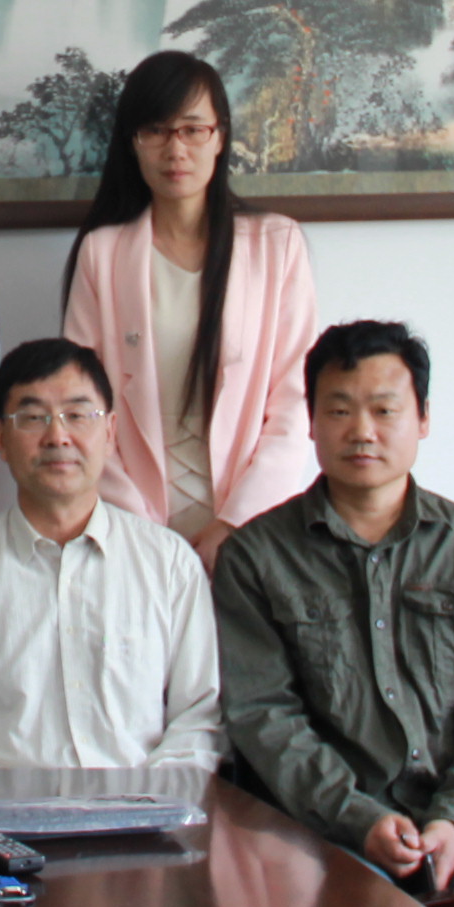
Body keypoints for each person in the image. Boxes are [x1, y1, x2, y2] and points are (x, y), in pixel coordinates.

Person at [211, 322, 454, 907]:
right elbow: (264, 717)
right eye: (339, 410)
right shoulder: (256, 558)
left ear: (422, 419)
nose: (361, 431)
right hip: (323, 826)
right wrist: (360, 817)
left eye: (384, 410)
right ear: (312, 423)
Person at [0, 337, 222, 772]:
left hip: (144, 808)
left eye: (77, 415)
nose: (57, 436)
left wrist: (147, 802)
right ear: (0, 438)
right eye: (33, 418)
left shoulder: (170, 565)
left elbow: (199, 719)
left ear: (109, 432)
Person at [61, 49, 319, 563]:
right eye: (156, 131)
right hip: (133, 535)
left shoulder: (276, 244)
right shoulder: (102, 253)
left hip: (253, 532)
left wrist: (235, 523)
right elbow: (79, 406)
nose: (175, 148)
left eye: (193, 129)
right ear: (133, 142)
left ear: (220, 137)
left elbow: (297, 399)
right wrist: (145, 535)